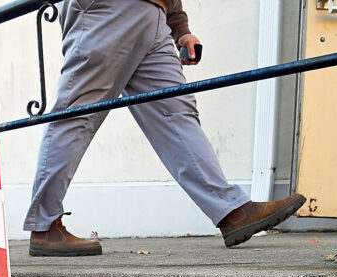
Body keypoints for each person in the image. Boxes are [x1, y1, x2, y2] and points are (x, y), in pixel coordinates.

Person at [25, 0, 306, 256]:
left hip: (155, 16)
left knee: (176, 112)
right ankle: (44, 226)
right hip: (108, 10)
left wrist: (180, 28)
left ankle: (231, 211)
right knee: (78, 115)